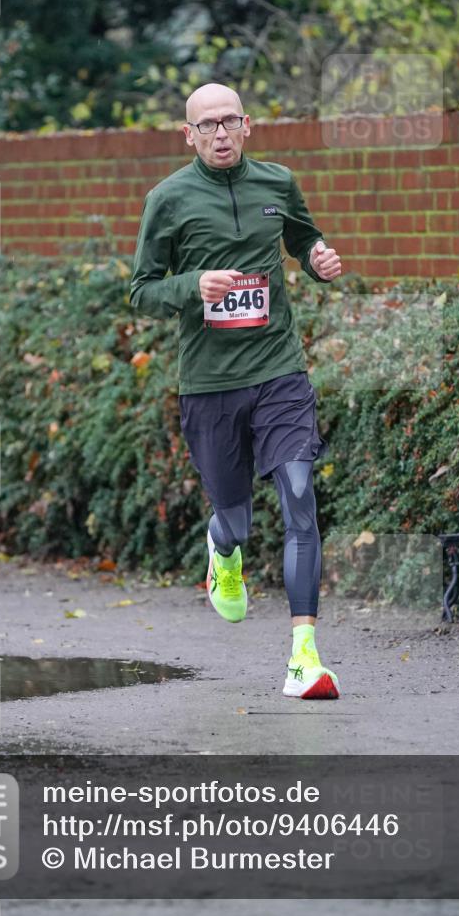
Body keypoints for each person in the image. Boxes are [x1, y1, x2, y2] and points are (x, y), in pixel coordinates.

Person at [129, 83, 342, 699]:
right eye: (207, 126)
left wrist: (318, 258)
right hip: (210, 384)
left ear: (247, 126)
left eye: (229, 122)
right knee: (237, 519)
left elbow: (304, 239)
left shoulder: (277, 183)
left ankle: (305, 659)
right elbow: (141, 289)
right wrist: (193, 284)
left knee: (300, 496)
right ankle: (223, 550)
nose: (219, 134)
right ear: (188, 135)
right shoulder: (167, 200)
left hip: (279, 370)